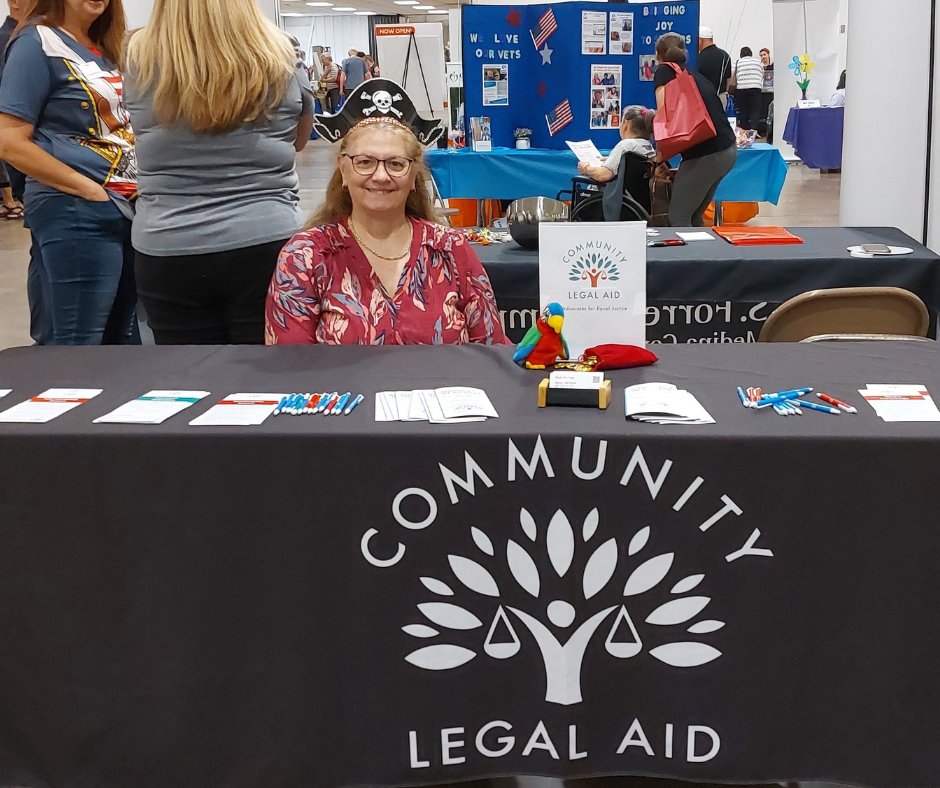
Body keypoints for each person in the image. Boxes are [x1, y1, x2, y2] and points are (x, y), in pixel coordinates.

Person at [124, 0, 314, 345]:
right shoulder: (284, 54)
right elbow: (300, 140)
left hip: (168, 243)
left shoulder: (138, 56)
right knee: (267, 375)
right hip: (266, 237)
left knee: (189, 380)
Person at [265, 82, 507, 346]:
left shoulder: (451, 250)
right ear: (343, 169)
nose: (380, 176)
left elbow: (492, 352)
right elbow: (290, 367)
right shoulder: (304, 258)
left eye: (395, 164)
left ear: (415, 174)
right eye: (365, 162)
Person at [0, 0, 139, 346]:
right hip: (78, 211)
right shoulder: (37, 44)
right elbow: (9, 141)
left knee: (124, 340)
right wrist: (86, 189)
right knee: (78, 342)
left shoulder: (106, 47)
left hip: (125, 208)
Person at [653, 33, 737, 227]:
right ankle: (705, 256)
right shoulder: (693, 75)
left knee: (678, 217)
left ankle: (690, 257)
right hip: (727, 149)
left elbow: (665, 115)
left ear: (659, 55)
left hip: (707, 153)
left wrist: (659, 158)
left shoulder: (664, 71)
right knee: (694, 216)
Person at [578, 105, 655, 183]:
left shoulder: (625, 145)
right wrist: (615, 160)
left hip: (618, 194)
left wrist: (586, 168)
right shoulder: (649, 147)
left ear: (626, 124)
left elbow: (604, 175)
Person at [697, 25, 732, 109]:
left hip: (703, 98)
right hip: (721, 97)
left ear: (701, 40)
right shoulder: (725, 55)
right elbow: (728, 80)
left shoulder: (698, 58)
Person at [732, 46, 765, 131]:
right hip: (755, 88)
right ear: (751, 54)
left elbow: (735, 75)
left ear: (741, 55)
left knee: (743, 110)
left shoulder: (739, 62)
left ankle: (744, 130)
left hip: (742, 88)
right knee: (755, 110)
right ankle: (754, 130)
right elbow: (762, 74)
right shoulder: (758, 62)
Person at [759, 47, 774, 133]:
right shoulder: (759, 67)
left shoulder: (772, 66)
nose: (763, 56)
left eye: (764, 54)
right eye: (761, 55)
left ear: (768, 55)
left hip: (771, 90)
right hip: (762, 91)